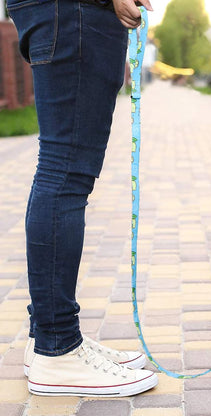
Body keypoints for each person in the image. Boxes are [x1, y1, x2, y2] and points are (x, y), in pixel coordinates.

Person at [6, 0, 158, 397]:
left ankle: (49, 336)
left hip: (64, 11)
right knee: (66, 171)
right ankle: (57, 350)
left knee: (60, 168)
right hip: (73, 10)